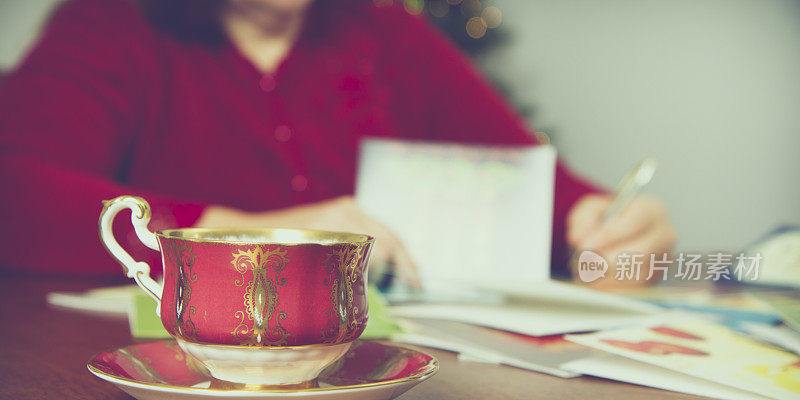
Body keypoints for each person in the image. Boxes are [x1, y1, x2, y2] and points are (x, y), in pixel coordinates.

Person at [0, 0, 675, 286]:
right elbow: (17, 190)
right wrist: (238, 234)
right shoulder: (109, 26)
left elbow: (538, 190)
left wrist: (605, 224)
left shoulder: (384, 32)